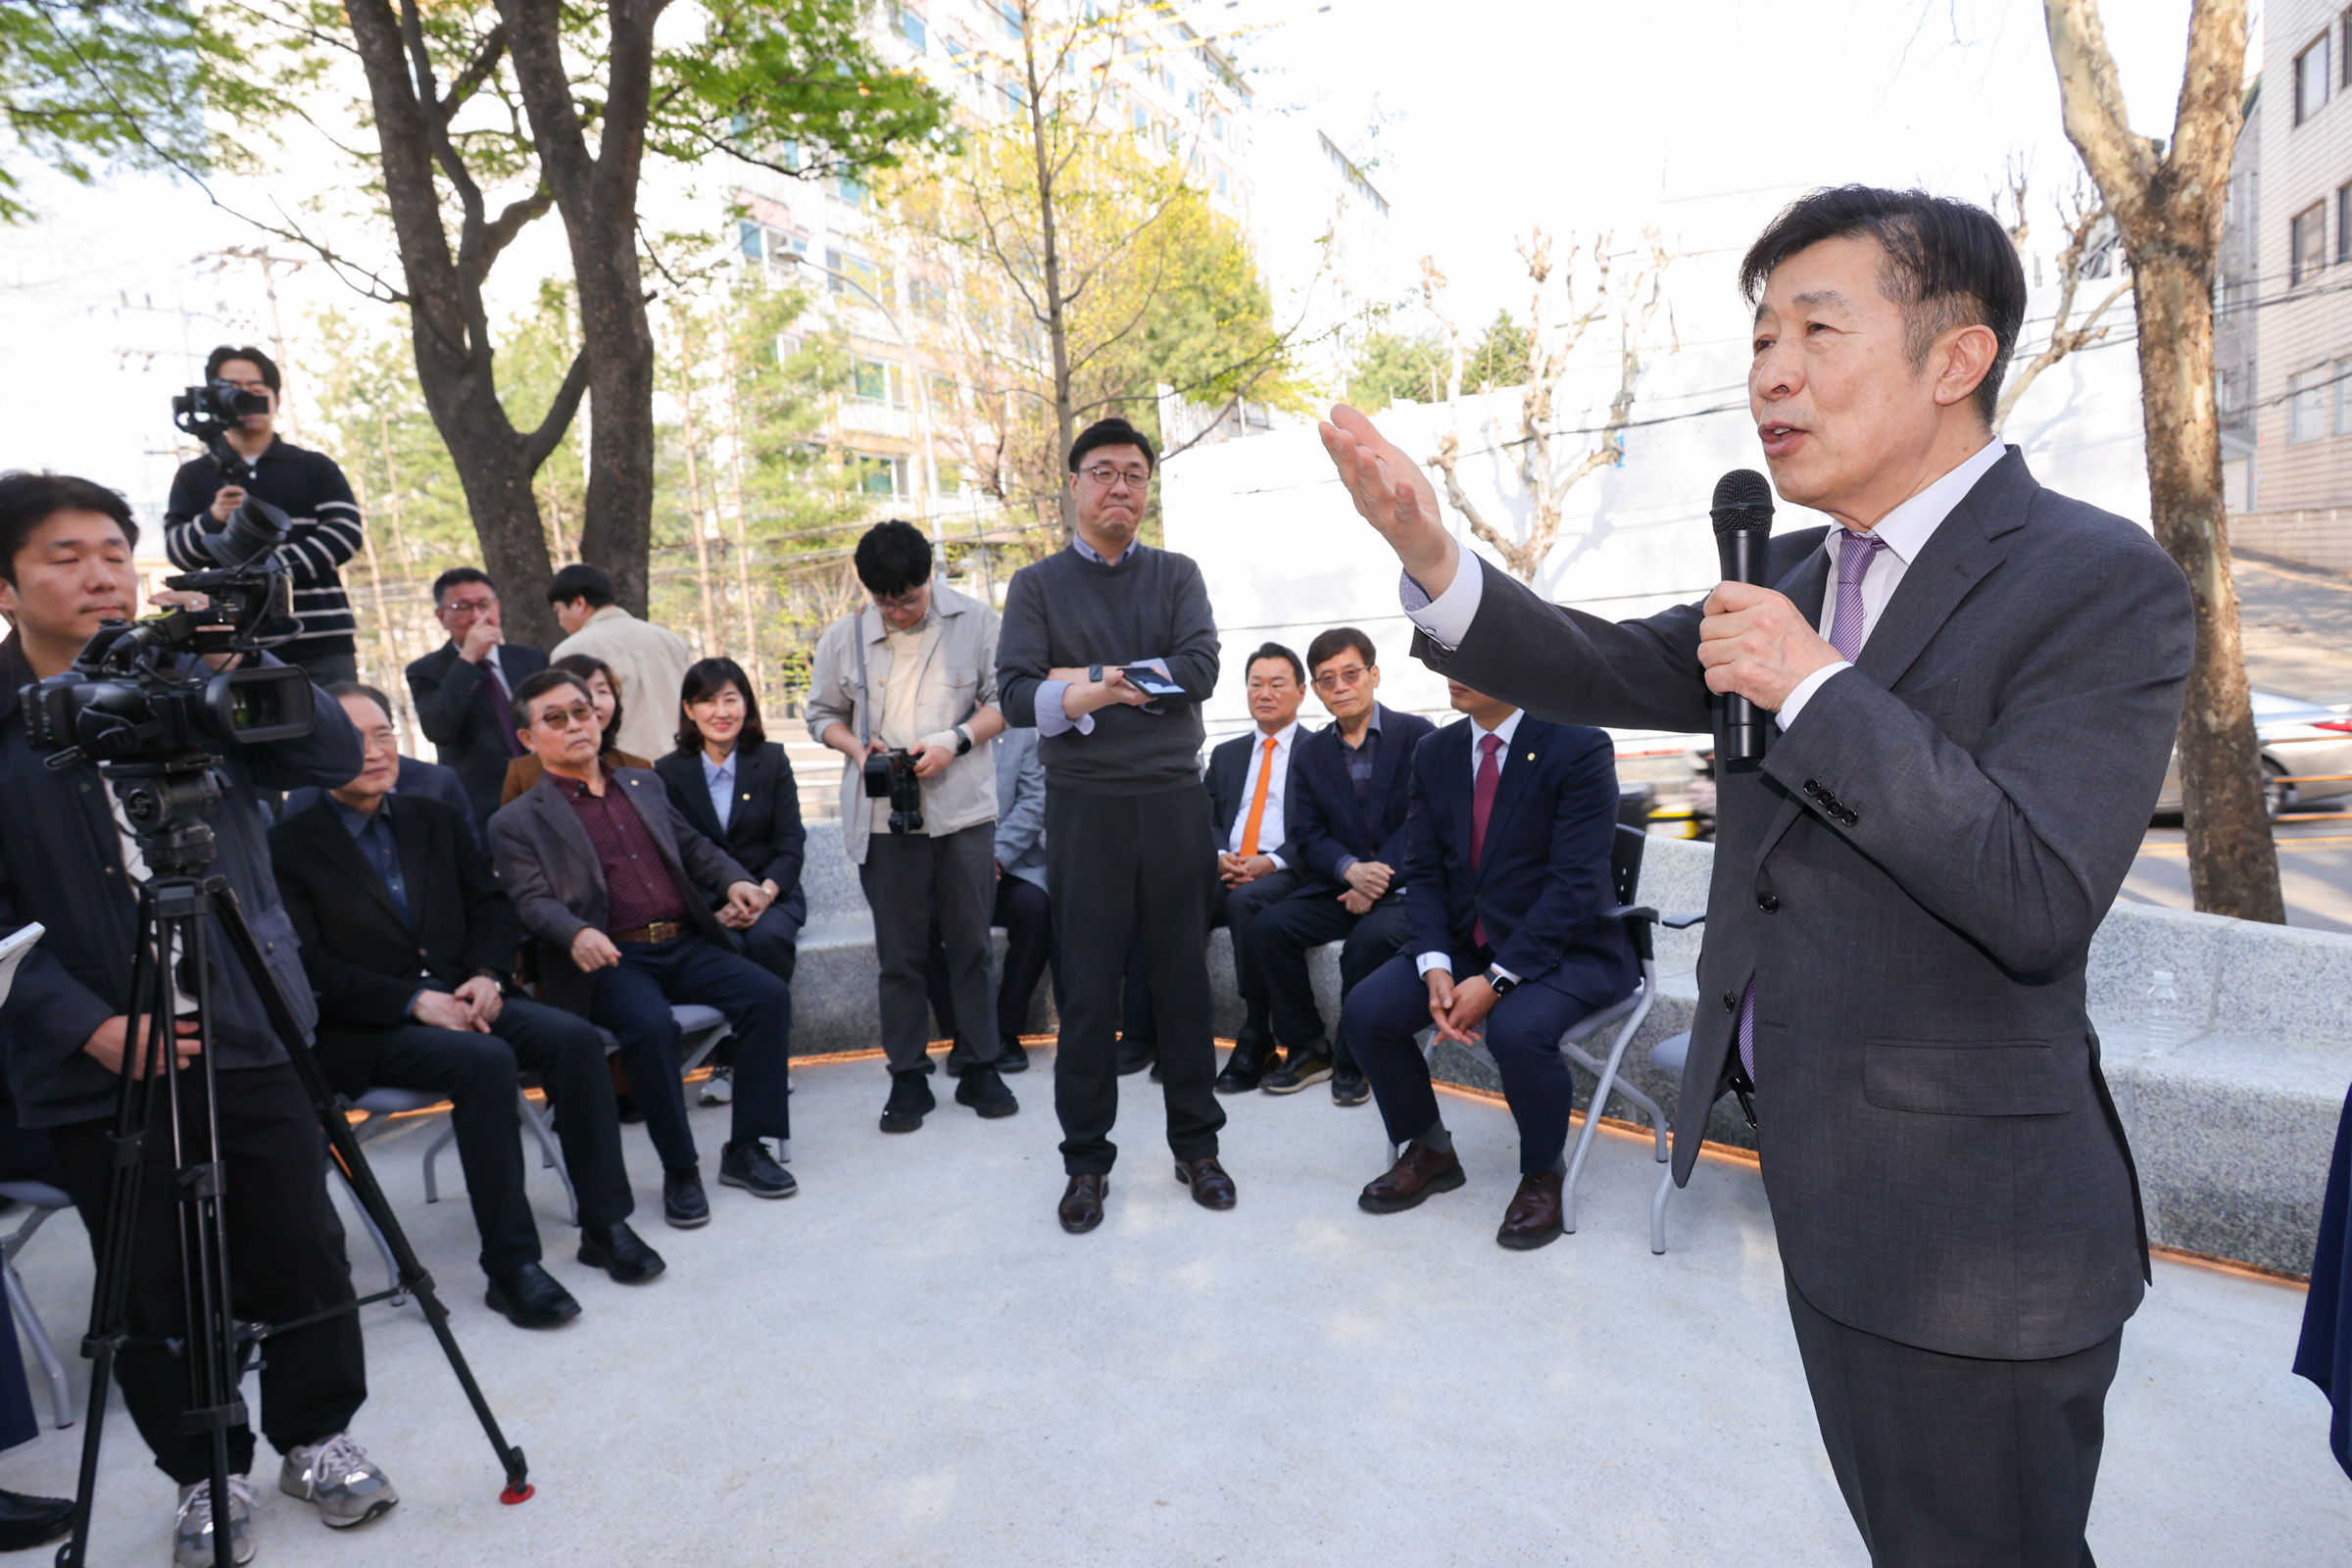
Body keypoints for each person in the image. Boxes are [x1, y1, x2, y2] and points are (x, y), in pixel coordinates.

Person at [1319, 185, 2194, 1568]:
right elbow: (1598, 664)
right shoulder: (1785, 567)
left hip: (1981, 1236)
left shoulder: (2098, 579)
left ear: (1955, 360)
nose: (1769, 372)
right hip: (1824, 1189)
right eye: (1759, 337)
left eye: (1815, 330)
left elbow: (2036, 889)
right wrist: (1435, 561)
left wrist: (1818, 684)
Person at [0, 471, 396, 1567]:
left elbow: (324, 757)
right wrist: (88, 1025)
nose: (99, 574)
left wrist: (235, 654)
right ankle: (202, 1471)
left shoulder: (194, 670)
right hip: (98, 1060)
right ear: (7, 585)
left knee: (301, 1243)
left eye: (114, 553)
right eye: (64, 556)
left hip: (250, 1021)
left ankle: (317, 1436)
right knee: (151, 1282)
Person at [272, 685, 662, 1329]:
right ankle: (510, 1268)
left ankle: (605, 1224)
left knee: (574, 1039)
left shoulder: (434, 818)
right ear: (314, 755)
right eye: (354, 738)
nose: (375, 751)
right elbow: (305, 964)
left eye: (384, 734)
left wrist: (486, 973)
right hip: (368, 1026)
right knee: (483, 1061)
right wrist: (412, 1000)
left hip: (467, 996)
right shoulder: (287, 846)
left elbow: (489, 906)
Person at [996, 416, 1231, 1235]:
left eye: (1135, 473)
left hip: (1173, 803)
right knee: (1089, 993)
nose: (1120, 487)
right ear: (1074, 484)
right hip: (1085, 810)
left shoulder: (1176, 575)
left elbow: (1200, 669)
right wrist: (1116, 682)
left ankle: (1197, 1148)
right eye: (1104, 472)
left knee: (1182, 985)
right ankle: (1086, 1164)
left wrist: (1080, 682)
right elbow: (1020, 694)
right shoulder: (1036, 586)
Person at [489, 668, 797, 1229]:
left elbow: (695, 848)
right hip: (610, 960)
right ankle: (681, 1168)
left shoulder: (643, 784)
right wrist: (575, 932)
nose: (576, 725)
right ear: (529, 739)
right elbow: (530, 900)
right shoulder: (516, 821)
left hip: (684, 942)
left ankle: (747, 1147)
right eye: (555, 718)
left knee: (767, 995)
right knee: (652, 1028)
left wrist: (735, 882)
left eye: (581, 711)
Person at [1346, 680, 1637, 1250]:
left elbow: (1574, 886)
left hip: (1569, 948)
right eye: (1447, 654)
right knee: (1366, 1011)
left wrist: (1499, 978)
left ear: (1515, 660)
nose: (1453, 669)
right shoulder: (1437, 751)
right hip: (1463, 944)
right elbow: (1424, 869)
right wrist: (1433, 963)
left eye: (1473, 652)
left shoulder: (1577, 745)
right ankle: (1430, 1148)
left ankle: (1542, 1173)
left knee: (1516, 1028)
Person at [806, 520, 1014, 1133]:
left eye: (909, 597)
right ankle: (907, 1077)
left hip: (962, 812)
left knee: (972, 946)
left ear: (930, 578)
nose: (897, 610)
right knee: (899, 955)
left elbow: (1007, 699)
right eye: (884, 600)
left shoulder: (976, 623)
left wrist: (956, 739)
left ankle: (980, 1064)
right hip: (881, 816)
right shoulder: (843, 637)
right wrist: (855, 746)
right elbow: (821, 714)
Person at [1250, 628, 1433, 1103]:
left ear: (1373, 675)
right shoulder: (1310, 753)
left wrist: (1375, 878)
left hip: (1410, 888)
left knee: (1368, 943)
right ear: (1315, 689)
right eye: (1327, 679)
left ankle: (1355, 1059)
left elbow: (1428, 822)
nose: (1340, 687)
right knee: (1270, 926)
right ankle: (1309, 1048)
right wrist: (1351, 870)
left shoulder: (1418, 735)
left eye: (1351, 674)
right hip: (1340, 883)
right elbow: (1307, 834)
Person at [165, 346, 367, 684]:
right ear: (213, 398)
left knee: (340, 730)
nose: (245, 401)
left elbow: (345, 534)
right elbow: (177, 551)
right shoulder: (194, 475)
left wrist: (270, 571)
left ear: (277, 399)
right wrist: (212, 519)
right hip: (231, 646)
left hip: (322, 640)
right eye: (233, 391)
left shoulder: (313, 466)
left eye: (256, 392)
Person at [656, 659, 808, 1106]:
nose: (720, 712)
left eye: (730, 699)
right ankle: (726, 1059)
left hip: (773, 895)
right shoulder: (667, 771)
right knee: (722, 946)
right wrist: (712, 905)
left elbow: (791, 843)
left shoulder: (772, 759)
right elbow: (676, 853)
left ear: (746, 704)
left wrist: (765, 892)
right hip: (707, 903)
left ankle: (767, 1059)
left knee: (767, 941)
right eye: (707, 701)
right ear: (689, 709)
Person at [1202, 643, 1310, 1093]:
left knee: (1248, 903)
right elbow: (1204, 817)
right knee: (1172, 900)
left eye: (1277, 684)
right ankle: (1179, 1031)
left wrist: (1273, 860)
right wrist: (1218, 856)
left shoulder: (1319, 750)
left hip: (1287, 868)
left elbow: (1325, 825)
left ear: (1301, 692)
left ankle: (1256, 1031)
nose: (1264, 693)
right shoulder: (1226, 754)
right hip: (1227, 865)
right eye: (1255, 684)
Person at [926, 726, 1052, 1079]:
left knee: (1036, 909)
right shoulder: (936, 727)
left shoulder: (1022, 733)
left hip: (1008, 866)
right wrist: (964, 864)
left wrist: (993, 858)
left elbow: (1033, 802)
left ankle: (1006, 1030)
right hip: (948, 869)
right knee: (921, 921)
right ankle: (964, 1033)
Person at [406, 567, 549, 837]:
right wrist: (468, 659)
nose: (476, 616)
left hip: (545, 791)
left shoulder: (530, 659)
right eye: (462, 607)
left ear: (497, 608)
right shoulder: (426, 670)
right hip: (483, 806)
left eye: (484, 605)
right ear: (442, 616)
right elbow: (438, 729)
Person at [546, 564, 694, 761]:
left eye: (558, 611)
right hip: (681, 760)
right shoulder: (672, 640)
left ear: (579, 603)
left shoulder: (571, 651)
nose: (560, 621)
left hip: (620, 767)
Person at [500, 653, 651, 807]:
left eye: (602, 691)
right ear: (528, 738)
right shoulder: (524, 773)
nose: (596, 703)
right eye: (555, 717)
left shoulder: (639, 769)